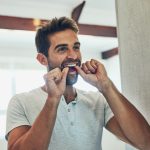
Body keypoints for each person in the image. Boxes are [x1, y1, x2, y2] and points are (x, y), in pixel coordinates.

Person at [6, 17, 150, 150]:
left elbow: (145, 142)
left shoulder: (98, 101)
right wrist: (53, 99)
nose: (74, 55)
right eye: (62, 49)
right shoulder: (20, 102)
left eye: (76, 47)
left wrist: (106, 86)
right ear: (42, 59)